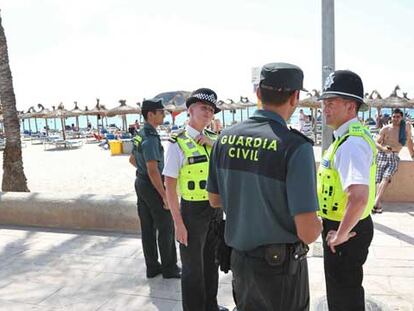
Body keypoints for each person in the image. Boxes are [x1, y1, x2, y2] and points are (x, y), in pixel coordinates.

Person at [207, 63, 322, 311]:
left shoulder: (224, 139)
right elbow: (308, 232)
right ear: (295, 97)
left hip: (240, 261)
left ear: (258, 93)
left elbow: (214, 200)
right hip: (281, 270)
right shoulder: (295, 148)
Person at [163, 88, 228, 311]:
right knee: (192, 269)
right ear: (190, 110)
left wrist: (213, 145)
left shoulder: (215, 140)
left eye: (211, 109)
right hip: (191, 212)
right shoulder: (176, 142)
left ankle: (211, 305)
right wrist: (178, 223)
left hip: (215, 209)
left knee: (213, 262)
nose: (208, 113)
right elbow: (169, 186)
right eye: (203, 108)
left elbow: (229, 161)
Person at [318, 70, 377, 310]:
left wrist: (341, 233)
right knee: (346, 289)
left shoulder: (351, 144)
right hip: (348, 224)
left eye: (331, 103)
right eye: (325, 102)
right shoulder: (349, 138)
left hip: (345, 229)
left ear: (351, 108)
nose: (325, 108)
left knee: (343, 294)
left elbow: (359, 197)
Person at [128, 98, 180, 279]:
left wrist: (143, 172)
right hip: (152, 185)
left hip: (141, 183)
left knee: (147, 228)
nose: (164, 114)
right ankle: (169, 268)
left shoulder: (140, 134)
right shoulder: (150, 138)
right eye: (161, 112)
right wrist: (164, 195)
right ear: (151, 114)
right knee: (166, 227)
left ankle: (152, 267)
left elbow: (132, 160)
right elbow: (153, 170)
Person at [373, 108, 414, 213]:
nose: (396, 119)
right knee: (379, 179)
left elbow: (409, 141)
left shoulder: (405, 129)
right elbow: (376, 142)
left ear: (401, 118)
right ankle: (377, 204)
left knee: (386, 177)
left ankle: (376, 202)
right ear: (391, 117)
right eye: (394, 116)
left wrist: (412, 154)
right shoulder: (386, 129)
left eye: (398, 117)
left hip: (394, 156)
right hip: (382, 154)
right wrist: (382, 148)